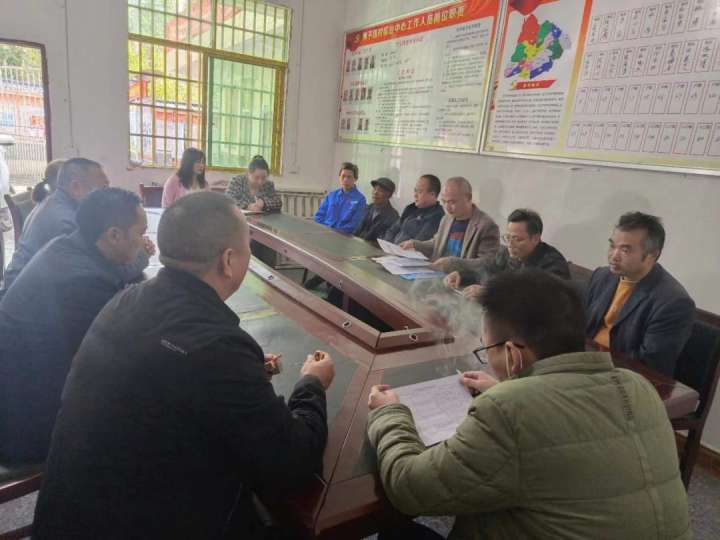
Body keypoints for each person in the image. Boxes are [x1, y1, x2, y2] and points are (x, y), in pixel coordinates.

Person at [33, 192, 335, 540]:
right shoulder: (218, 347)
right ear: (228, 260)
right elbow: (294, 462)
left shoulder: (125, 300)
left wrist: (245, 371)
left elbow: (174, 377)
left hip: (67, 516)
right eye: (248, 246)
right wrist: (312, 383)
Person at [367, 269, 690, 540]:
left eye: (486, 350)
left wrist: (389, 413)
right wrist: (511, 388)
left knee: (395, 532)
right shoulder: (638, 386)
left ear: (512, 353)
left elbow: (409, 488)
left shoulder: (507, 410)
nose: (486, 358)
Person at [0, 188, 147, 464]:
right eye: (141, 233)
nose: (143, 241)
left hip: (19, 390)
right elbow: (117, 360)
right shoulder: (83, 281)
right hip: (27, 425)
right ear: (114, 235)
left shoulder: (67, 247)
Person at [2, 158, 152, 291]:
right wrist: (142, 255)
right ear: (75, 187)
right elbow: (105, 274)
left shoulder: (58, 203)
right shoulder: (66, 222)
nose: (107, 195)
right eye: (103, 188)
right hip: (33, 301)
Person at [585, 212, 695, 376]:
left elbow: (649, 365)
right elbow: (579, 325)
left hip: (624, 378)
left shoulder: (673, 302)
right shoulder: (602, 276)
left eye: (625, 250)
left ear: (652, 255)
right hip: (586, 361)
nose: (614, 256)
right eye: (612, 246)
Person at [445, 208, 571, 299]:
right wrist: (461, 275)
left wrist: (491, 292)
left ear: (536, 238)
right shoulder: (509, 254)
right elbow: (487, 269)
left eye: (517, 239)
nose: (510, 244)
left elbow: (537, 299)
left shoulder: (552, 264)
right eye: (508, 237)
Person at [399, 177, 499, 274]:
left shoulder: (486, 226)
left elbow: (486, 263)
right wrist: (415, 245)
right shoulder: (446, 219)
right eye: (444, 201)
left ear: (468, 198)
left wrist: (453, 263)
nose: (447, 207)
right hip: (435, 276)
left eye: (452, 202)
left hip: (462, 280)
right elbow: (436, 244)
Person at [384, 174, 444, 245]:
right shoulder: (411, 208)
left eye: (419, 191)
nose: (415, 195)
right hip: (392, 249)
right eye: (415, 191)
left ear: (432, 195)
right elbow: (392, 230)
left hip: (406, 251)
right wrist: (388, 246)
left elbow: (419, 244)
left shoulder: (436, 216)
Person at [314, 162, 366, 234]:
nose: (345, 180)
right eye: (343, 176)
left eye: (349, 177)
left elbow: (355, 223)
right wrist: (325, 229)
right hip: (325, 232)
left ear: (355, 179)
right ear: (339, 177)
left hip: (344, 235)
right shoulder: (332, 195)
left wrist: (335, 232)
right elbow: (319, 216)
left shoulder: (360, 199)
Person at [352, 177, 399, 243]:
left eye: (380, 190)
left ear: (389, 195)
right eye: (374, 189)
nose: (375, 192)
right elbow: (357, 231)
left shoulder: (393, 217)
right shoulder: (368, 208)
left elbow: (381, 243)